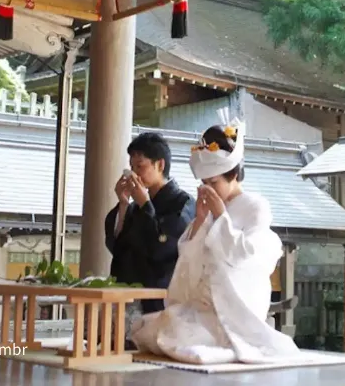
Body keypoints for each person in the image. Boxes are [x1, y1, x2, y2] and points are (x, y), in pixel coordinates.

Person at [131, 121, 300, 364]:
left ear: (233, 175)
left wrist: (221, 216)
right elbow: (189, 251)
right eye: (204, 184)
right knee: (152, 326)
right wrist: (200, 220)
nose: (207, 189)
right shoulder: (210, 208)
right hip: (203, 301)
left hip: (231, 306)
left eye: (214, 183)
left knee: (175, 336)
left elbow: (245, 254)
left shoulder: (255, 205)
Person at [105, 132, 195, 314]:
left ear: (160, 165)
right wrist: (123, 204)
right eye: (131, 166)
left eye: (139, 166)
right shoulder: (136, 207)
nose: (134, 173)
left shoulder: (181, 203)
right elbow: (116, 246)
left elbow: (162, 247)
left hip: (158, 298)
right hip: (127, 295)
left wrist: (145, 204)